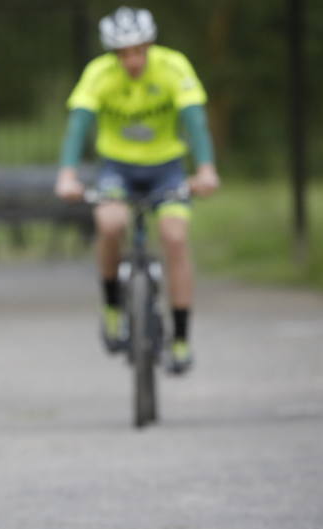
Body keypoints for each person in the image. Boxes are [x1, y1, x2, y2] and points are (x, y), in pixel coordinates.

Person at [55, 7, 219, 375]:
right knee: (110, 224)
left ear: (150, 46)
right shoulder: (98, 74)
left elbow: (196, 122)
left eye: (138, 50)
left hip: (166, 168)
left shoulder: (174, 67)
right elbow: (78, 126)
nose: (131, 60)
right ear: (113, 53)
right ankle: (112, 306)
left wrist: (206, 170)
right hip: (117, 168)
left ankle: (180, 338)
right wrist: (67, 175)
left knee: (174, 238)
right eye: (123, 53)